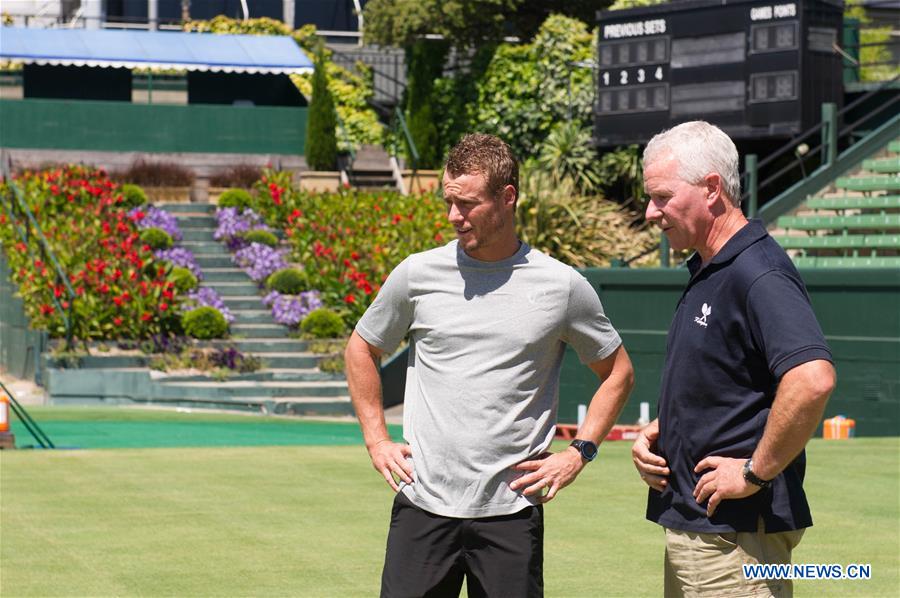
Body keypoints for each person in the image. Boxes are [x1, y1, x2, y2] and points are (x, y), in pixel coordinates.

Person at [345, 133, 634, 597]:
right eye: (449, 202)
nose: (454, 217)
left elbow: (618, 372)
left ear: (507, 198)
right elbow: (361, 347)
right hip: (423, 508)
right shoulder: (417, 274)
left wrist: (579, 454)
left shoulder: (562, 286)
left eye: (468, 204)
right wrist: (377, 439)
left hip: (511, 517)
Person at [631, 121, 836, 597]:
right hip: (704, 531)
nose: (650, 212)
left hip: (734, 539)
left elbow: (812, 379)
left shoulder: (756, 271)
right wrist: (664, 432)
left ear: (711, 189)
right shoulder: (712, 265)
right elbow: (729, 382)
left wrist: (752, 472)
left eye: (662, 196)